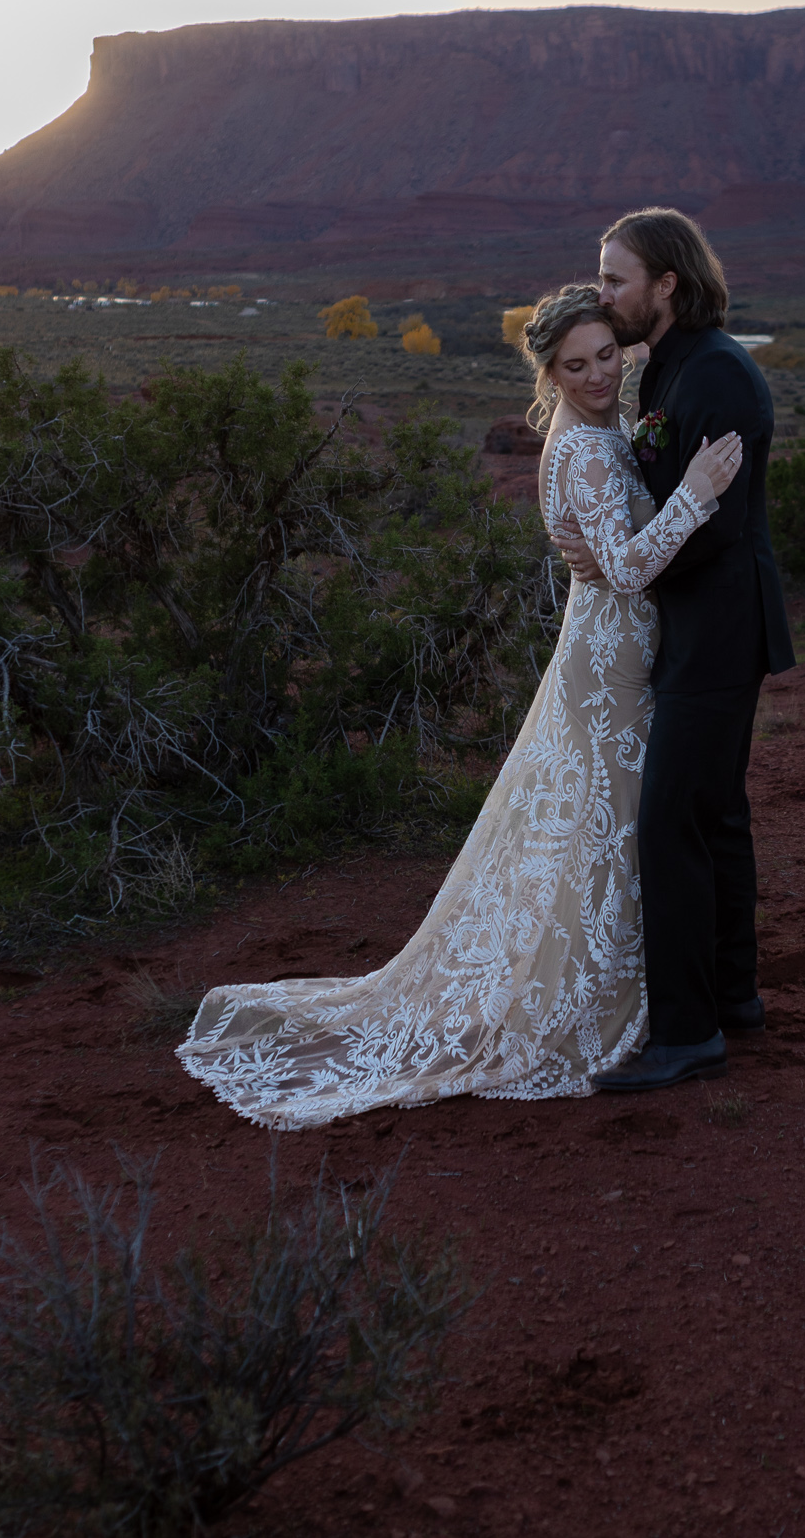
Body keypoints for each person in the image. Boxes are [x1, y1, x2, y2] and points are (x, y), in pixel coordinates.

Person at [174, 283, 744, 1130]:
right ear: (548, 373)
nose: (596, 376)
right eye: (575, 365)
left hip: (611, 649)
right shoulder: (585, 448)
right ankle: (594, 1003)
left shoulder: (597, 428)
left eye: (606, 357)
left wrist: (647, 366)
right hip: (611, 661)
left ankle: (622, 984)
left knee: (606, 826)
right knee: (612, 825)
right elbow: (625, 570)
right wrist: (695, 493)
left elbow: (601, 530)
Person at [557, 208, 794, 1092]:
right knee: (715, 815)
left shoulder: (719, 375)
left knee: (669, 825)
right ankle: (734, 997)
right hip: (698, 626)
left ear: (666, 284)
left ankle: (687, 1033)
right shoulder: (671, 367)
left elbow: (715, 527)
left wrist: (621, 564)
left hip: (717, 631)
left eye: (616, 278)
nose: (601, 291)